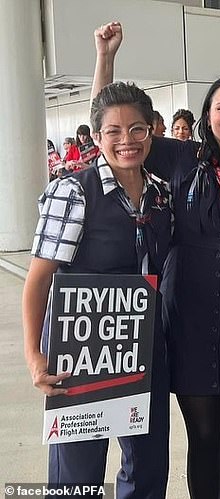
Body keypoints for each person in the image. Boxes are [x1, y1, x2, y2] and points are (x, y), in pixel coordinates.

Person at [93, 22, 220, 498]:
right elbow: (114, 131)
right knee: (204, 432)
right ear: (209, 116)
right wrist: (105, 59)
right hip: (187, 309)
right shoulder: (181, 158)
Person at [23, 79, 171, 497]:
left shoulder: (161, 194)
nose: (127, 140)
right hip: (80, 350)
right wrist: (35, 355)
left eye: (137, 129)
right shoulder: (73, 192)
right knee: (77, 475)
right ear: (98, 137)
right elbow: (38, 278)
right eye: (114, 132)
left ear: (152, 130)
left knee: (147, 468)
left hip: (141, 347)